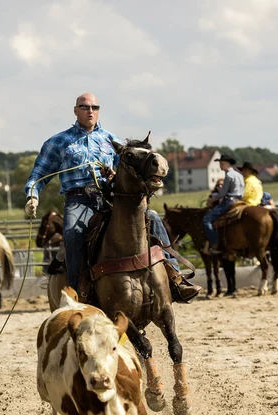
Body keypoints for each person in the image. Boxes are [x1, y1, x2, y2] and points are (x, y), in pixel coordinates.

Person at [24, 92, 200, 302]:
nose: (90, 111)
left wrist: (117, 175)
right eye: (85, 107)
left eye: (95, 107)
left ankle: (175, 279)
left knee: (152, 217)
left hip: (110, 198)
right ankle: (76, 294)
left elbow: (129, 173)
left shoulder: (112, 141)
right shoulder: (57, 142)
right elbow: (38, 175)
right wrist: (32, 196)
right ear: (75, 110)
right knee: (72, 234)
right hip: (78, 200)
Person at [203, 154, 245, 253]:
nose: (220, 166)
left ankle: (214, 243)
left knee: (206, 219)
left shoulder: (229, 175)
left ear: (226, 164)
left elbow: (222, 193)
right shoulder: (239, 174)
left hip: (229, 201)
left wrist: (213, 199)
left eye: (221, 164)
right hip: (240, 201)